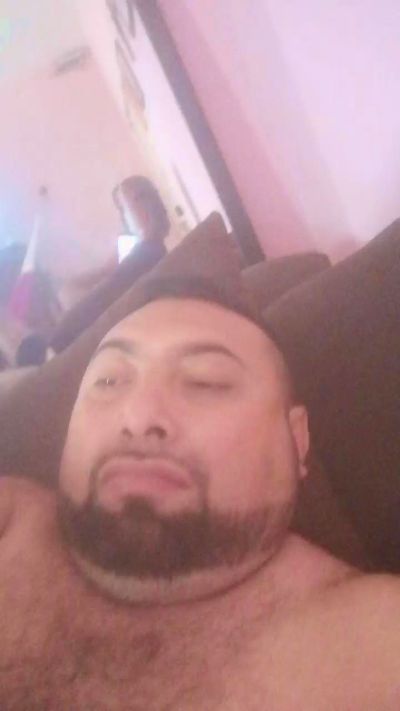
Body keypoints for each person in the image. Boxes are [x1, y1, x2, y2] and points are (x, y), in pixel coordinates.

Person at [0, 277, 399, 710]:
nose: (139, 415)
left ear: (297, 439)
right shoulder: (11, 517)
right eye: (109, 380)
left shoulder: (377, 649)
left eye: (206, 382)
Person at [51, 176, 170, 352]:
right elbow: (107, 276)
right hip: (76, 336)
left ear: (142, 208)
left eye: (124, 208)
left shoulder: (147, 255)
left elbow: (104, 297)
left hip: (79, 340)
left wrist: (63, 333)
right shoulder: (141, 249)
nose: (122, 216)